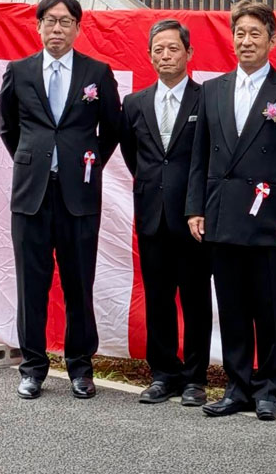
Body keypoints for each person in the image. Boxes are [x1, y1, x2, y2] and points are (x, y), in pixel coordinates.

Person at [186, 0, 276, 421]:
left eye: (255, 33)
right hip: (221, 215)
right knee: (232, 307)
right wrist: (195, 208)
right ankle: (237, 387)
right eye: (239, 33)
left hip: (268, 220)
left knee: (267, 308)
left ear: (272, 40)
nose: (246, 41)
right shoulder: (212, 90)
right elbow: (199, 156)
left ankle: (270, 388)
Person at [0, 0, 121, 400]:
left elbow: (112, 129)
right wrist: (33, 159)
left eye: (65, 21)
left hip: (78, 195)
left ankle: (80, 368)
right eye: (50, 21)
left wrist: (85, 164)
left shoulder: (97, 73)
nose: (57, 28)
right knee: (31, 285)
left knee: (79, 283)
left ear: (78, 28)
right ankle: (32, 368)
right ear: (38, 26)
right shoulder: (19, 71)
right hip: (31, 194)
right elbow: (9, 128)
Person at [120, 20, 212, 406]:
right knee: (158, 298)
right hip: (151, 215)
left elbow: (210, 157)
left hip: (193, 218)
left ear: (189, 53)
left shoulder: (207, 99)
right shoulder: (135, 103)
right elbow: (133, 155)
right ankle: (163, 375)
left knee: (195, 299)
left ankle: (194, 378)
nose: (165, 56)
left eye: (173, 48)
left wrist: (196, 204)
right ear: (149, 55)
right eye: (158, 49)